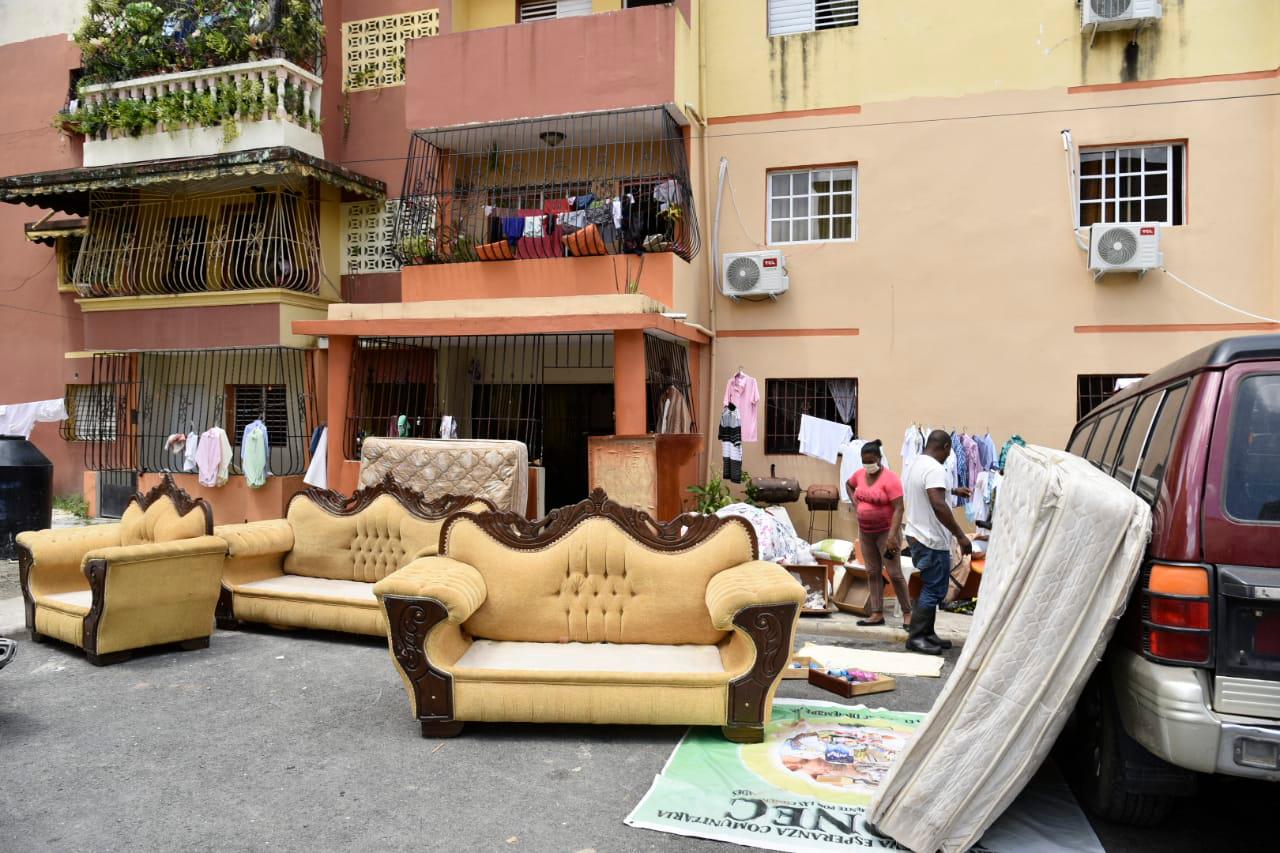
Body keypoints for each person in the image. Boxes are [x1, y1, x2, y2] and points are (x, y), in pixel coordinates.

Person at [902, 430, 972, 655]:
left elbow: (927, 490)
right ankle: (917, 637)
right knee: (934, 588)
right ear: (944, 446)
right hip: (930, 538)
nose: (948, 455)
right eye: (949, 450)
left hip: (917, 533)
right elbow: (938, 504)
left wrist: (952, 490)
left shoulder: (917, 464)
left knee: (931, 585)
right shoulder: (935, 469)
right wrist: (961, 535)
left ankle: (928, 633)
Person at [846, 440, 911, 629]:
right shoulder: (859, 475)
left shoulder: (890, 479)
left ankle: (907, 613)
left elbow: (899, 508)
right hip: (866, 533)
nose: (868, 465)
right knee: (872, 572)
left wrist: (892, 536)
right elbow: (849, 485)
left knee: (894, 573)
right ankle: (876, 613)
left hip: (886, 533)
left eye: (871, 461)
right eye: (864, 462)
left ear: (879, 459)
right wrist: (855, 503)